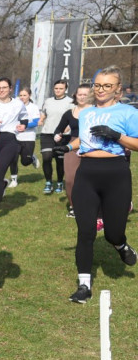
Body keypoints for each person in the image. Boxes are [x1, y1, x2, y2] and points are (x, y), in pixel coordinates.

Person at [52, 66, 138, 303]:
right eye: (97, 85)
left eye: (107, 86)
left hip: (116, 174)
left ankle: (121, 245)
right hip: (87, 173)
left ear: (118, 89)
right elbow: (85, 139)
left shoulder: (128, 113)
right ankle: (84, 286)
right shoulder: (88, 113)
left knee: (112, 232)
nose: (100, 90)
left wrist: (117, 136)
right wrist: (68, 147)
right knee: (86, 231)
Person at [0, 78, 28, 220]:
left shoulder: (18, 104)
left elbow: (24, 118)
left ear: (10, 88)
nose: (1, 90)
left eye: (4, 87)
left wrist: (23, 125)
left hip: (10, 141)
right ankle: (3, 184)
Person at [52, 83, 91, 218]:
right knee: (69, 178)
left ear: (91, 95)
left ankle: (92, 205)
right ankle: (74, 206)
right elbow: (59, 128)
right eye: (79, 94)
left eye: (85, 94)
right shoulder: (70, 113)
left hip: (92, 144)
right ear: (75, 95)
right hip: (73, 144)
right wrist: (57, 135)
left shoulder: (96, 111)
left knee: (90, 178)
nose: (82, 97)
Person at [39, 79, 73, 194]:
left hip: (62, 135)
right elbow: (44, 114)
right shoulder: (48, 101)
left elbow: (72, 119)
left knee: (60, 161)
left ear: (65, 89)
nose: (58, 90)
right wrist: (41, 119)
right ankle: (48, 182)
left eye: (61, 88)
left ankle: (59, 182)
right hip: (47, 133)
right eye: (56, 88)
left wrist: (65, 130)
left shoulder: (70, 102)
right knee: (47, 157)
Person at [7, 87, 41, 188]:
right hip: (15, 136)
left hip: (28, 137)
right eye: (20, 95)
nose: (22, 97)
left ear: (29, 96)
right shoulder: (14, 106)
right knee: (13, 159)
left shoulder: (33, 107)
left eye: (24, 95)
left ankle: (32, 158)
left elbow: (36, 122)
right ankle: (14, 180)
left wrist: (24, 126)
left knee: (25, 162)